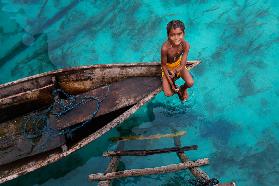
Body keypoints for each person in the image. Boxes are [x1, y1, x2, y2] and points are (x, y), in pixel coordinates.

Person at [161, 20, 194, 101]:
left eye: (179, 34)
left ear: (184, 34)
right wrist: (172, 84)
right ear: (168, 35)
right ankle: (177, 91)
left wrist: (175, 71)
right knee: (168, 94)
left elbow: (183, 64)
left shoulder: (186, 45)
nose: (176, 38)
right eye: (172, 35)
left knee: (190, 83)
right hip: (168, 68)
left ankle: (183, 88)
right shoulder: (165, 48)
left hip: (179, 66)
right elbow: (164, 66)